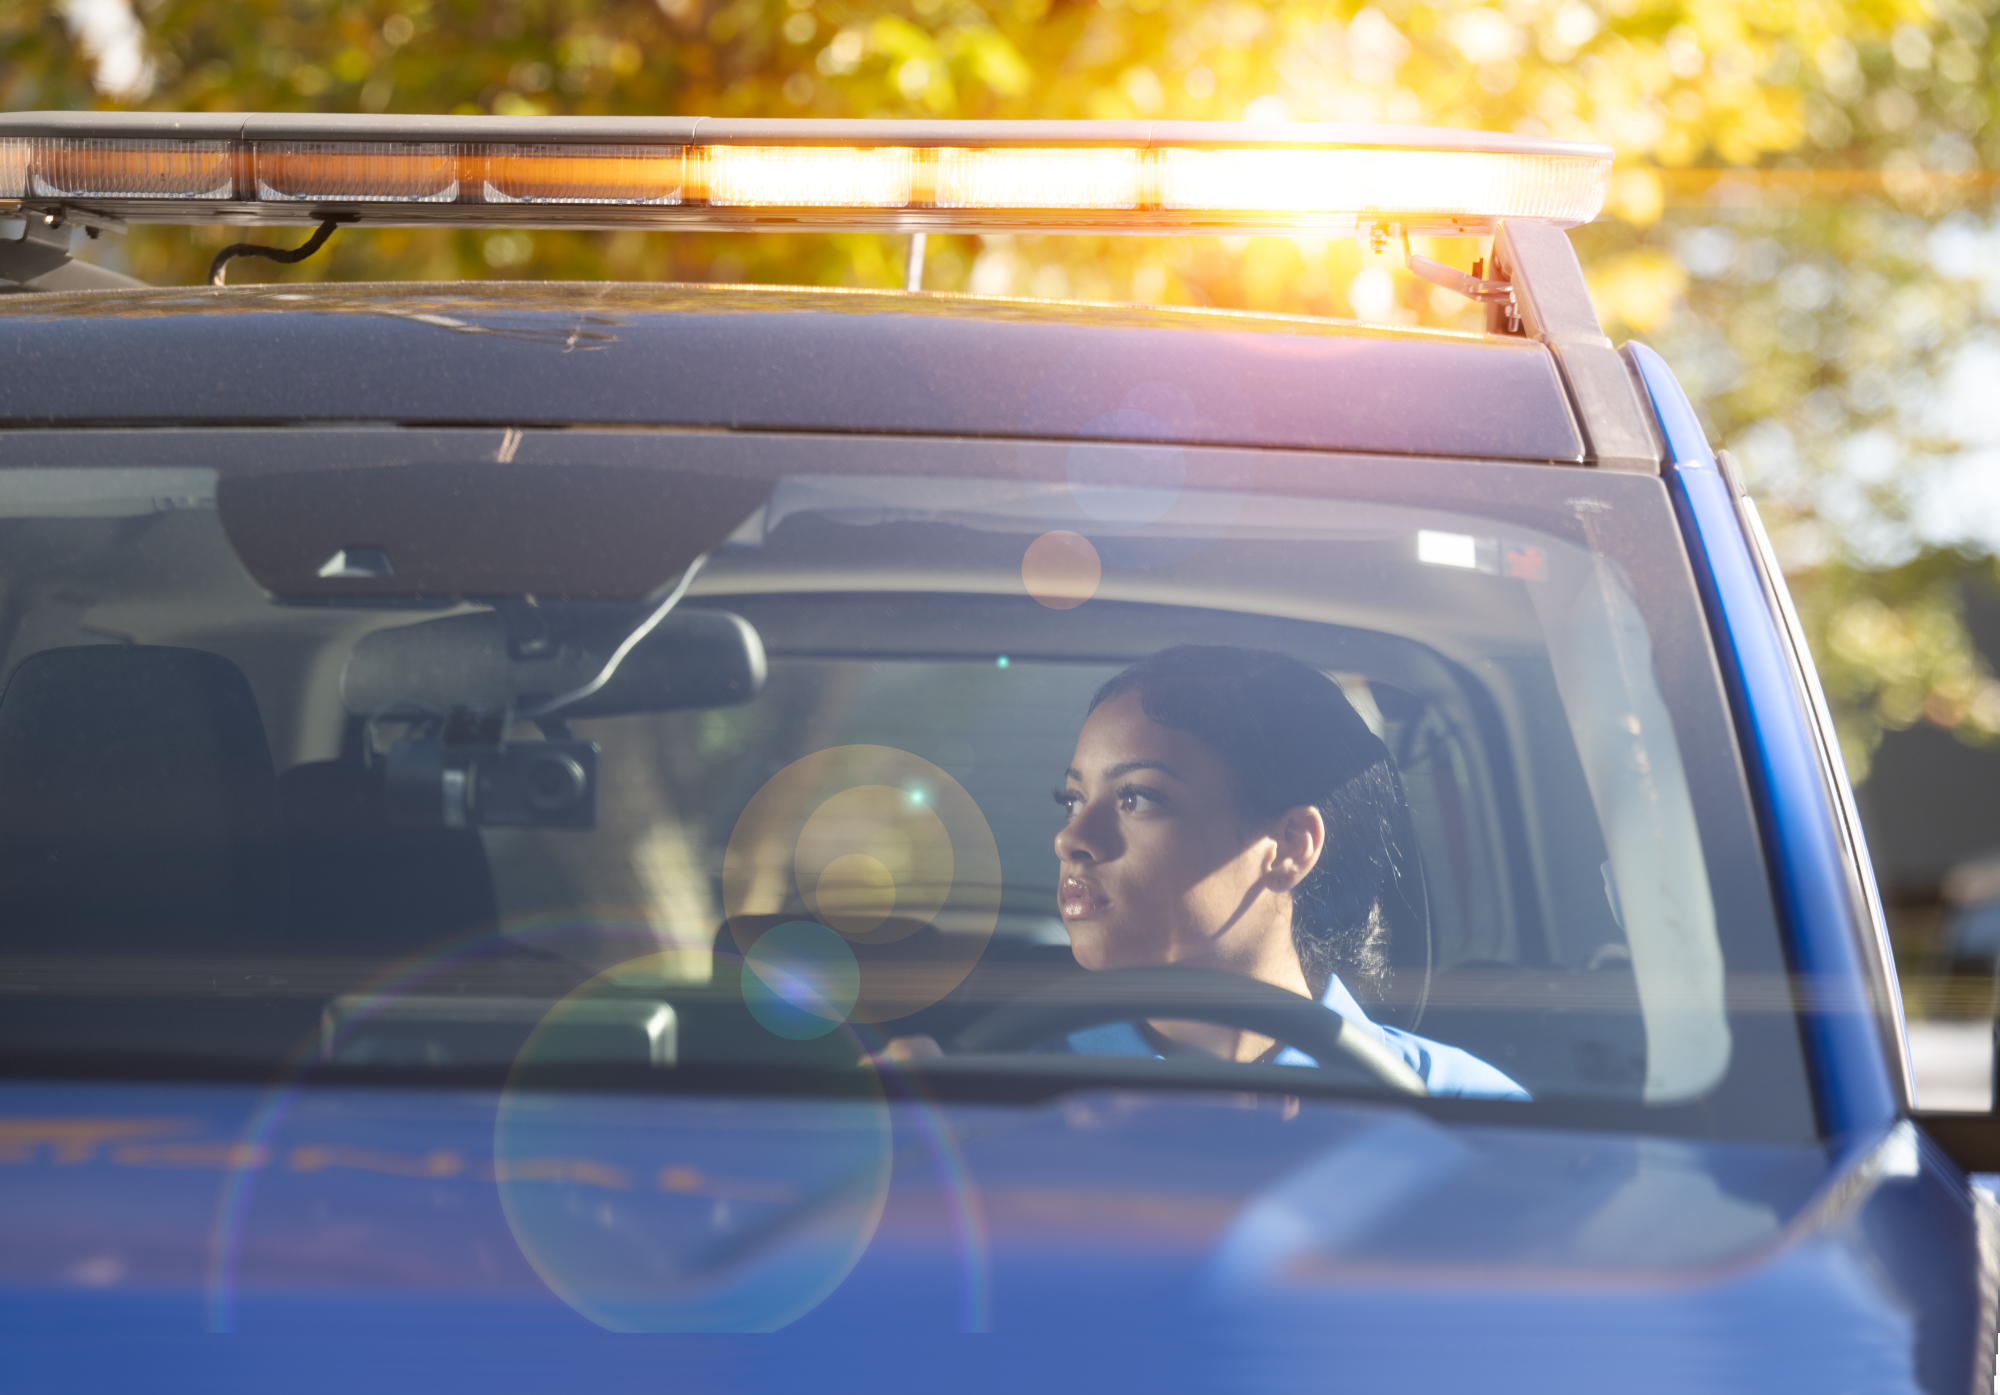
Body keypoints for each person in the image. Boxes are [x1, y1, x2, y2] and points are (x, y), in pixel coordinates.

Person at [1050, 645, 1527, 1099]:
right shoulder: (1001, 1088)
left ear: (1291, 846)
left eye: (1137, 798)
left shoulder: (1469, 1107)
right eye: (1072, 800)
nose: (1069, 839)